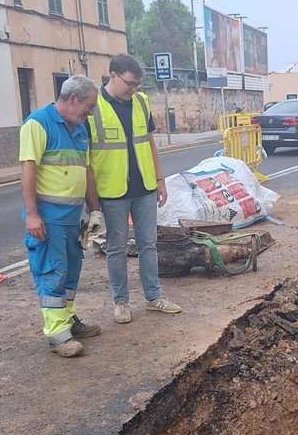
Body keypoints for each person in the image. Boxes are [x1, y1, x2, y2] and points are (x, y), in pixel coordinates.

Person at [86, 53, 181, 324]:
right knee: (116, 247)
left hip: (145, 187)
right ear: (113, 76)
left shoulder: (141, 101)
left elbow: (149, 142)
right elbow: (87, 158)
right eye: (130, 83)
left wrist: (160, 180)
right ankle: (121, 302)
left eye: (137, 84)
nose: (134, 89)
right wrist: (92, 202)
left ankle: (153, 297)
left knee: (148, 244)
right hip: (113, 190)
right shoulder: (94, 107)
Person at [20, 75, 102, 357]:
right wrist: (32, 215)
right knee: (52, 272)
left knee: (70, 272)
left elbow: (86, 170)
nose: (90, 112)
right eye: (89, 106)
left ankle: (68, 321)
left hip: (71, 218)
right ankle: (57, 334)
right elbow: (28, 169)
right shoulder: (38, 123)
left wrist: (94, 209)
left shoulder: (80, 128)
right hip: (49, 218)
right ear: (72, 99)